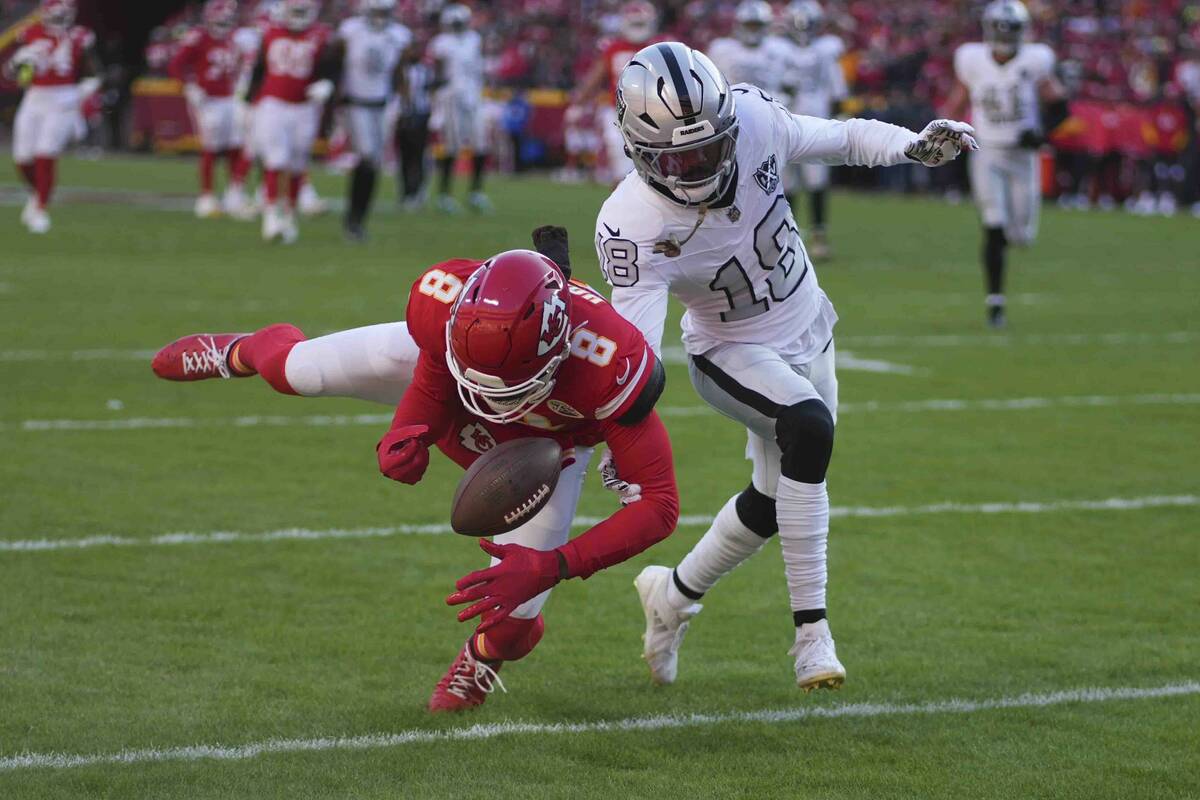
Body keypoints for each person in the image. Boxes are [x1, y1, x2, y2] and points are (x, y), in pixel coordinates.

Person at [148, 230, 678, 713]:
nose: (486, 399)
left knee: (514, 624)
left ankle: (482, 657)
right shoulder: (443, 302)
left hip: (545, 445)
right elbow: (434, 364)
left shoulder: (609, 363)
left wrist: (556, 565)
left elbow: (659, 505)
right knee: (300, 371)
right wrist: (412, 427)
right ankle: (244, 350)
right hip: (457, 377)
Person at [594, 42, 974, 691]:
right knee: (810, 429)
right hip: (729, 349)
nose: (698, 166)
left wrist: (908, 145)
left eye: (708, 149)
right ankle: (812, 635)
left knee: (776, 500)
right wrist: (619, 430)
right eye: (679, 158)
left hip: (809, 326)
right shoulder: (630, 223)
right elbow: (636, 346)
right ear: (640, 150)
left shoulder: (755, 119)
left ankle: (673, 596)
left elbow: (841, 136)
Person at [942, 0, 1067, 329]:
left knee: (1022, 236)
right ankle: (995, 303)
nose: (1005, 35)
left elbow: (1060, 105)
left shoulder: (1034, 60)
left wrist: (1040, 133)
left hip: (1023, 157)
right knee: (993, 224)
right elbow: (956, 100)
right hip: (987, 152)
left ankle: (1008, 251)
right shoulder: (972, 60)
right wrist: (939, 131)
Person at [4, 0, 100, 234]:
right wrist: (18, 63)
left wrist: (78, 95)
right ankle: (38, 196)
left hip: (63, 100)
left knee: (46, 154)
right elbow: (10, 73)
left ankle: (40, 209)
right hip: (35, 97)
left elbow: (94, 74)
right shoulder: (29, 33)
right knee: (22, 158)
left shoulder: (79, 37)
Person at [246, 0, 335, 243]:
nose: (299, 16)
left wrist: (327, 83)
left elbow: (329, 67)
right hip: (273, 104)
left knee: (296, 163)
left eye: (303, 12)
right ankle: (271, 216)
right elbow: (259, 69)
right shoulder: (269, 33)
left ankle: (288, 216)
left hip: (304, 107)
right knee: (276, 159)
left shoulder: (320, 36)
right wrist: (248, 102)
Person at [332, 0, 411, 240]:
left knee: (373, 163)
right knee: (366, 157)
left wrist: (404, 99)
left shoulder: (398, 35)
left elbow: (399, 69)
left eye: (384, 12)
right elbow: (336, 62)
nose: (380, 16)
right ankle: (353, 219)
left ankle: (357, 217)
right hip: (355, 103)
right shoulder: (350, 31)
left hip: (382, 104)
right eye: (376, 11)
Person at [779, 0, 847, 259]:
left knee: (816, 180)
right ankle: (787, 236)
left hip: (816, 123)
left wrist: (840, 116)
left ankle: (818, 237)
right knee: (786, 183)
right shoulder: (779, 50)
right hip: (785, 120)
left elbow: (837, 88)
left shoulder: (826, 50)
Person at [169, 0, 249, 219]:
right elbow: (176, 64)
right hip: (208, 100)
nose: (225, 22)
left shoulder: (235, 38)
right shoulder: (198, 37)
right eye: (221, 17)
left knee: (237, 146)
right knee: (211, 147)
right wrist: (189, 86)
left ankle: (234, 194)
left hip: (231, 98)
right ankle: (206, 197)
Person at [569, 0, 661, 184]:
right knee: (622, 171)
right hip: (620, 114)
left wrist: (578, 102)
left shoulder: (657, 47)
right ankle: (621, 208)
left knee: (652, 170)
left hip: (652, 115)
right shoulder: (614, 48)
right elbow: (595, 78)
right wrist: (578, 102)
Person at [427, 3, 490, 213]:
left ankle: (476, 192)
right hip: (451, 97)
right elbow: (437, 72)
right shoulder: (441, 43)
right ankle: (445, 194)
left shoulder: (474, 39)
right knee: (452, 146)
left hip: (473, 95)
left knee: (481, 144)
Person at [705, 0, 790, 91]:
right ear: (739, 24)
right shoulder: (720, 48)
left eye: (757, 25)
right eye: (749, 25)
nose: (753, 30)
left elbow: (789, 86)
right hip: (734, 102)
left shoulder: (781, 48)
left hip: (771, 102)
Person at [394, 43, 433, 210]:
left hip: (420, 116)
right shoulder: (398, 71)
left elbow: (431, 91)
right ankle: (405, 192)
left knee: (418, 156)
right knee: (404, 156)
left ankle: (417, 191)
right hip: (403, 116)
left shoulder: (425, 71)